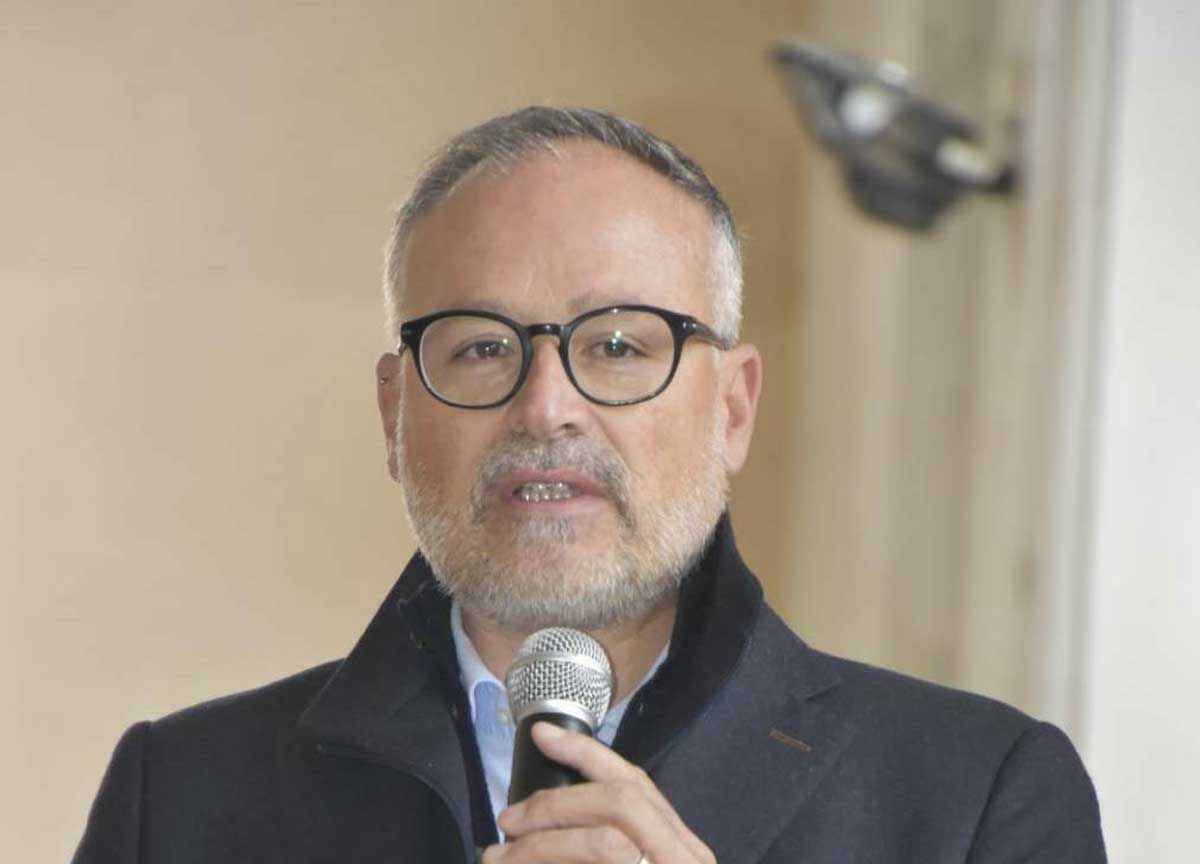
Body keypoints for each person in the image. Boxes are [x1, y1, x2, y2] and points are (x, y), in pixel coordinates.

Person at [73, 106, 1106, 863]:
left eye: (617, 345)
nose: (546, 407)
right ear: (395, 413)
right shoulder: (181, 801)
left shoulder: (976, 800)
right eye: (482, 348)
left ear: (732, 408)